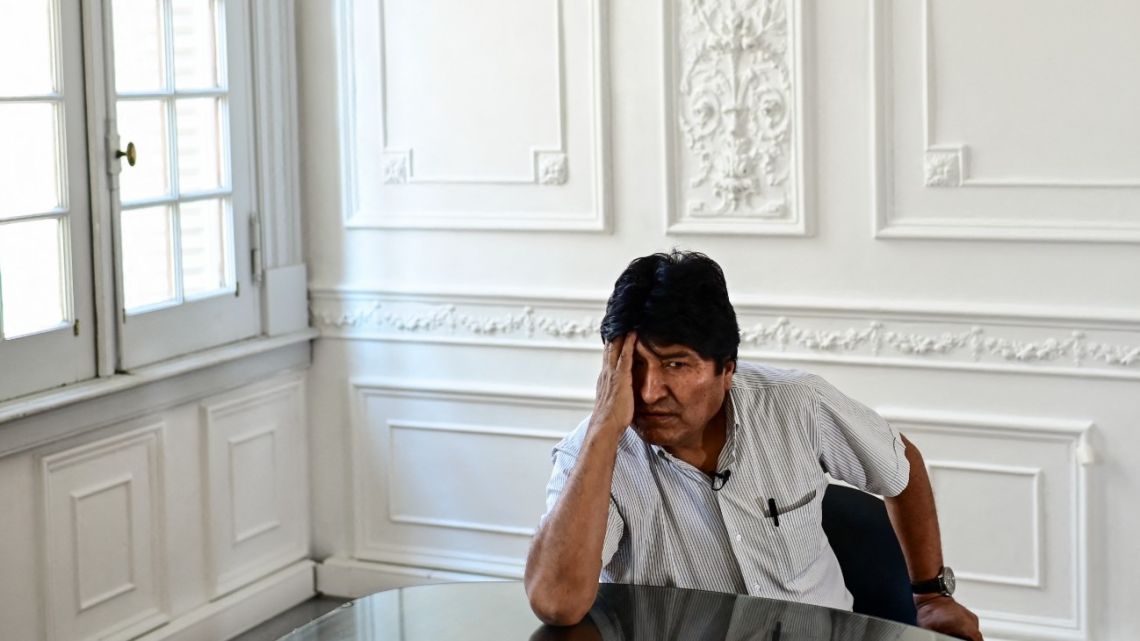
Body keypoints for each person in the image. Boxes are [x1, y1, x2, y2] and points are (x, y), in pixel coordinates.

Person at [523, 251, 982, 641]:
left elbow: (901, 468)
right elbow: (556, 603)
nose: (647, 391)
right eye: (632, 366)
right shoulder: (590, 456)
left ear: (727, 369)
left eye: (676, 364)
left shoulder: (796, 404)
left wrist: (931, 595)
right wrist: (604, 430)